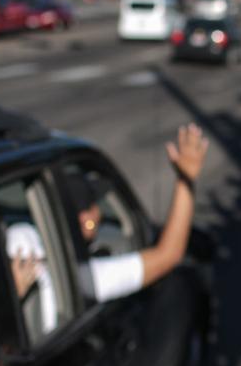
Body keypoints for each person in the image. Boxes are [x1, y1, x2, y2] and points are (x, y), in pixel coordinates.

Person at [66, 123, 209, 304]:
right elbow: (168, 255)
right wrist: (185, 179)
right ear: (85, 219)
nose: (99, 214)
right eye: (95, 206)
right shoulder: (86, 278)